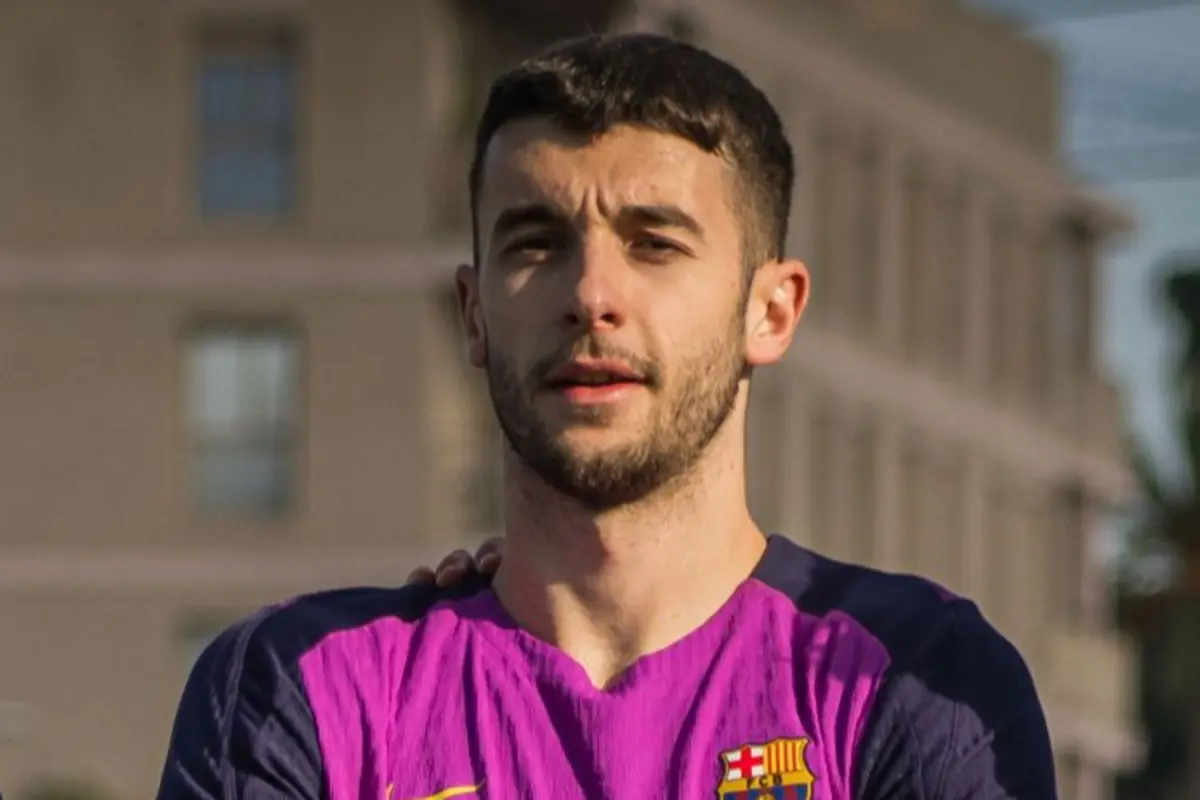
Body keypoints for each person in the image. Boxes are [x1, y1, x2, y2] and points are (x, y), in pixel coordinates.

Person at [155, 32, 1056, 800]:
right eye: (536, 243)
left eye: (654, 244)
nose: (590, 295)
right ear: (473, 312)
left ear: (770, 311)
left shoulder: (911, 677)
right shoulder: (299, 685)